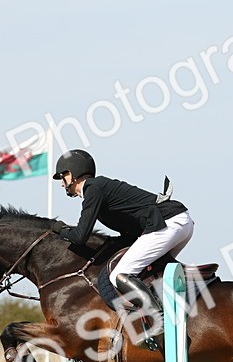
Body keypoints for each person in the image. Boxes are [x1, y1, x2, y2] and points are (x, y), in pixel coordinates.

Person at [54, 149, 194, 350]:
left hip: (168, 223)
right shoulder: (99, 188)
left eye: (63, 177)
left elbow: (79, 236)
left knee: (119, 274)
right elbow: (129, 233)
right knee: (150, 273)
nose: (62, 183)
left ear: (72, 173)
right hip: (178, 222)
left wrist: (60, 229)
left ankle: (159, 322)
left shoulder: (93, 190)